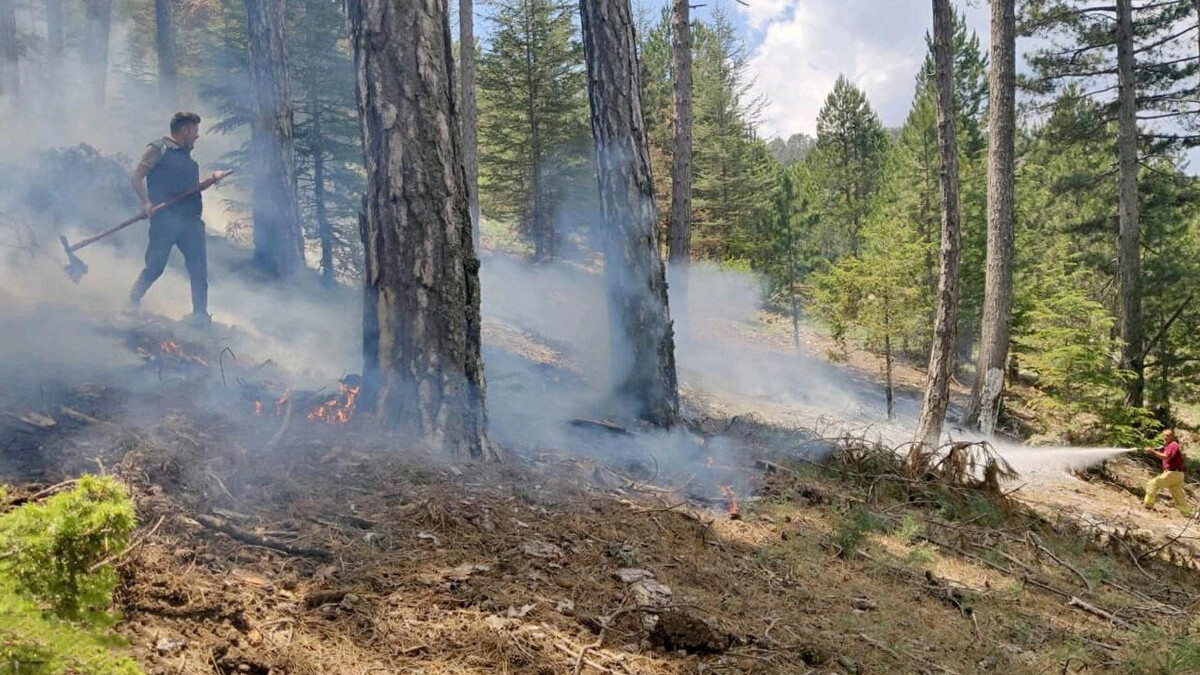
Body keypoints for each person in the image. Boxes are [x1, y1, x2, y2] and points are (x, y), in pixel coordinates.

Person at [128, 112, 228, 327]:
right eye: (194, 131)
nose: (197, 136)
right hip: (165, 220)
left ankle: (200, 317)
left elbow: (190, 189)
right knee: (155, 266)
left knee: (198, 270)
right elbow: (136, 177)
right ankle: (131, 303)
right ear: (184, 130)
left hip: (191, 222)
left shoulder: (186, 157)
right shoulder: (159, 148)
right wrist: (146, 202)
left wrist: (213, 179)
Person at [1142, 429, 1191, 516]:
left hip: (1173, 473)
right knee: (1178, 494)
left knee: (1152, 484)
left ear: (1173, 436)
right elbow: (1164, 455)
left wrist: (1153, 452)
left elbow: (1166, 457)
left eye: (1168, 435)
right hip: (1178, 474)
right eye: (1164, 435)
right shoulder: (1169, 446)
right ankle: (1186, 513)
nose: (1165, 437)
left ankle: (1148, 506)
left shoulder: (1173, 445)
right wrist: (1155, 451)